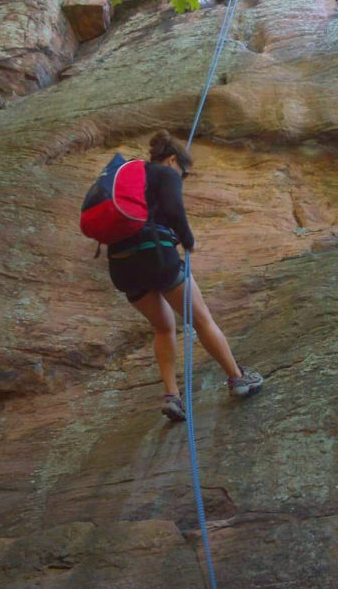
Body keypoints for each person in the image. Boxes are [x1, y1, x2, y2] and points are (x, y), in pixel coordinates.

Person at [107, 130, 263, 422]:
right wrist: (188, 240)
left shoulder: (130, 176)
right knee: (201, 318)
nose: (183, 178)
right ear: (171, 160)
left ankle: (172, 397)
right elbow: (173, 210)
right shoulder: (165, 173)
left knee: (163, 328)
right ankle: (237, 378)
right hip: (156, 256)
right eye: (184, 172)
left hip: (122, 265)